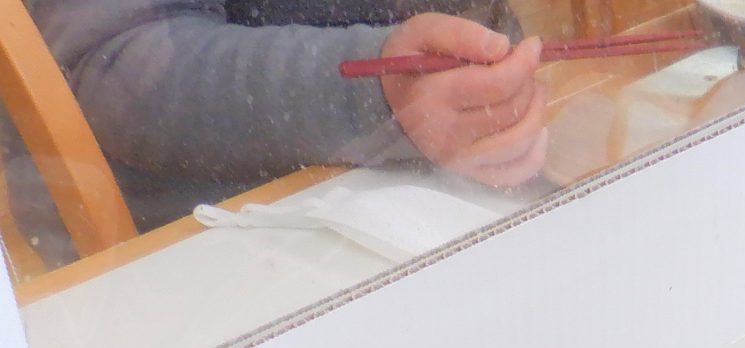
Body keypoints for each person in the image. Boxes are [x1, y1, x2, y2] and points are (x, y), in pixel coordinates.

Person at [20, 0, 545, 244]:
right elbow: (124, 68)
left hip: (432, 204)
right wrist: (381, 94)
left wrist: (483, 95)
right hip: (199, 250)